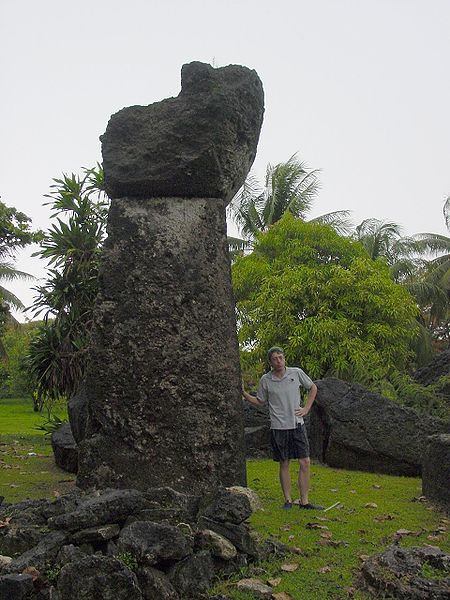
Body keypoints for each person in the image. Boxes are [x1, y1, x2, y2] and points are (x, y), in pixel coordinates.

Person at [242, 346, 323, 510]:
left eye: (281, 357)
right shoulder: (266, 380)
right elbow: (260, 401)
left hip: (297, 424)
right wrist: (243, 393)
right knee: (284, 463)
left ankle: (304, 501)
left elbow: (312, 387)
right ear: (270, 362)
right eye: (275, 359)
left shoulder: (296, 373)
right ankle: (287, 500)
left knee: (305, 461)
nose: (278, 361)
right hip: (278, 427)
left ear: (284, 358)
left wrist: (306, 408)